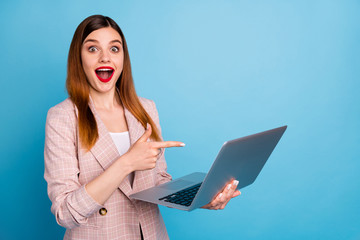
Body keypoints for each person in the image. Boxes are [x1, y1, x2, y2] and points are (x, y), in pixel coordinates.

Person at [44, 15, 241, 240]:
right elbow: (65, 213)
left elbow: (158, 182)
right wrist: (126, 163)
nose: (105, 57)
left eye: (114, 49)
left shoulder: (146, 108)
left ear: (123, 58)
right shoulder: (62, 117)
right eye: (92, 49)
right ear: (78, 58)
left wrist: (201, 199)